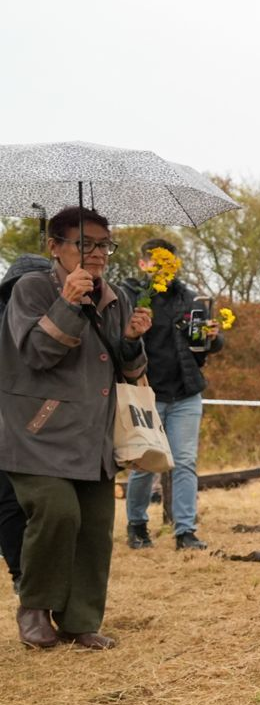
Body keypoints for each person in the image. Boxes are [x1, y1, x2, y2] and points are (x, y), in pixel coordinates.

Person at [0, 207, 151, 649]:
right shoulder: (30, 289)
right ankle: (34, 607)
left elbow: (130, 371)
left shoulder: (114, 297)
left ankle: (80, 621)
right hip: (36, 433)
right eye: (85, 243)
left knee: (95, 527)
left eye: (105, 244)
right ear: (54, 246)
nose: (98, 253)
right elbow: (35, 354)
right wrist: (67, 303)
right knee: (58, 513)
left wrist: (132, 341)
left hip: (94, 434)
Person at [122, 239, 223, 551]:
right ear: (143, 264)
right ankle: (137, 526)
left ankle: (185, 531)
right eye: (157, 262)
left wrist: (214, 337)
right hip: (146, 393)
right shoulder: (130, 297)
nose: (164, 268)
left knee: (185, 462)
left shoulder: (190, 299)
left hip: (185, 394)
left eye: (169, 262)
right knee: (144, 463)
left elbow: (206, 347)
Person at [0, 254, 53, 589]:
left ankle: (35, 571)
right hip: (7, 422)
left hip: (48, 422)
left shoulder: (57, 319)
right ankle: (20, 573)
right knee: (9, 499)